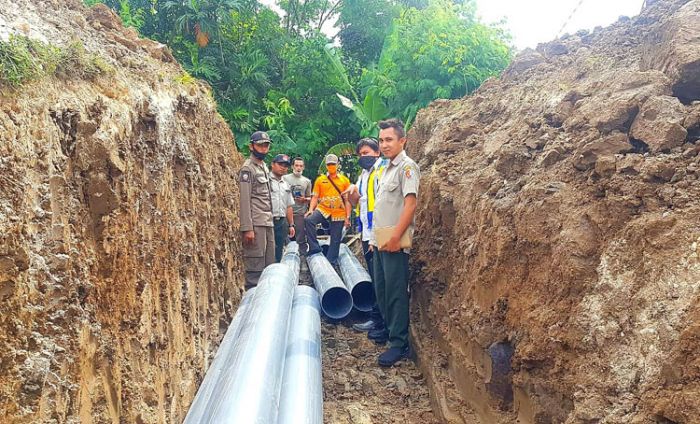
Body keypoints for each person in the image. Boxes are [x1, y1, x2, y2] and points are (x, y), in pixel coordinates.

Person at [371, 119, 420, 367]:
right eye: (381, 140)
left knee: (395, 293)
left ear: (402, 141)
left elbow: (410, 205)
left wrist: (394, 238)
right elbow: (382, 208)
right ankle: (390, 331)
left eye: (389, 139)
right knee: (381, 289)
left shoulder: (407, 168)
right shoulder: (387, 168)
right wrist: (374, 239)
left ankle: (398, 344)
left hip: (395, 241)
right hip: (380, 239)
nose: (384, 144)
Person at [343, 138, 389, 339]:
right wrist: (351, 194)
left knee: (382, 280)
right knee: (375, 278)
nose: (364, 157)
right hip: (367, 233)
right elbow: (357, 203)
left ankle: (382, 323)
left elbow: (385, 204)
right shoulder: (363, 175)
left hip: (379, 233)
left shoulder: (383, 171)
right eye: (361, 154)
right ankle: (377, 318)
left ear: (377, 152)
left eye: (367, 153)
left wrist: (376, 238)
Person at [239, 131, 275, 289]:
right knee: (255, 268)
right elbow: (244, 199)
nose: (263, 149)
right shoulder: (248, 169)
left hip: (268, 222)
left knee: (270, 266)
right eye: (260, 145)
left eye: (266, 145)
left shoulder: (264, 167)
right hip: (256, 224)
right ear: (251, 146)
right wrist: (247, 228)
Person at [305, 154, 351, 265]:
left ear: (337, 165)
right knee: (309, 220)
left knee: (336, 238)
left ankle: (331, 262)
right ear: (326, 165)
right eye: (329, 164)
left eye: (333, 164)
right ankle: (315, 247)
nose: (331, 166)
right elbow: (315, 196)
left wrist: (348, 217)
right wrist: (311, 209)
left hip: (339, 211)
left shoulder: (344, 180)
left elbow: (347, 200)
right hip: (323, 209)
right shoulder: (320, 180)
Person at [283, 157, 312, 254]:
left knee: (301, 238)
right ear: (292, 166)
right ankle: (284, 259)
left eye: (301, 166)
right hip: (285, 213)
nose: (298, 168)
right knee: (284, 237)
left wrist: (304, 199)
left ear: (303, 167)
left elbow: (310, 198)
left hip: (300, 213)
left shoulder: (306, 181)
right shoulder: (285, 178)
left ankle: (302, 258)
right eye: (296, 165)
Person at [270, 154, 296, 262]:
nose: (283, 167)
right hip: (267, 221)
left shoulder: (286, 185)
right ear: (272, 165)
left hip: (281, 223)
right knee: (267, 251)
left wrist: (291, 225)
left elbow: (288, 205)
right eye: (280, 164)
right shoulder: (266, 181)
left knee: (278, 251)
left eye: (286, 165)